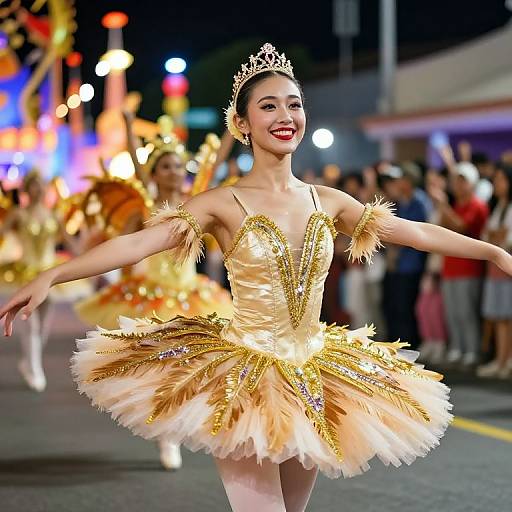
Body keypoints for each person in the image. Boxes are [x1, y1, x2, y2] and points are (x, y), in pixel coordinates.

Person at [2, 44, 512, 511]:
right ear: (241, 122)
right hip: (243, 378)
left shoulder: (328, 201)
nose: (286, 115)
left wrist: (493, 252)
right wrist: (53, 274)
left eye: (294, 103)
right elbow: (138, 243)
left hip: (315, 376)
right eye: (268, 105)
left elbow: (414, 232)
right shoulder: (221, 203)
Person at [74, 112, 232, 469]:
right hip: (151, 295)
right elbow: (135, 162)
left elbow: (217, 162)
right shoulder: (148, 205)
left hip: (192, 294)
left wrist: (231, 128)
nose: (175, 172)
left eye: (179, 165)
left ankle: (174, 427)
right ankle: (167, 436)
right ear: (154, 174)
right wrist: (130, 130)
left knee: (188, 364)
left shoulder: (197, 202)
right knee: (162, 367)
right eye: (166, 167)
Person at [0, 170, 88, 392]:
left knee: (44, 323)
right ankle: (34, 367)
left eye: (41, 185)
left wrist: (87, 256)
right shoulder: (18, 214)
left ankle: (29, 361)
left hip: (49, 274)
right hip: (25, 273)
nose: (38, 189)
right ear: (26, 189)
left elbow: (69, 242)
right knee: (31, 322)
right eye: (34, 185)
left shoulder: (53, 215)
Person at [430, 162, 489, 367]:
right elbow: (440, 228)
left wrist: (443, 205)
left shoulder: (477, 205)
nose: (457, 184)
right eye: (456, 180)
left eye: (462, 180)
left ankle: (472, 350)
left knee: (467, 312)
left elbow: (461, 228)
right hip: (451, 267)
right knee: (453, 312)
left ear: (472, 183)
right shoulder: (456, 206)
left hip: (469, 268)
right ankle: (458, 347)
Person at [477, 162, 512, 378]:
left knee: (508, 315)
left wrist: (496, 235)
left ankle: (507, 360)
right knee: (499, 315)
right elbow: (487, 236)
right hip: (495, 269)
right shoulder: (497, 207)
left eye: (501, 179)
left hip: (507, 269)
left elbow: (505, 239)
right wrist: (496, 235)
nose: (496, 184)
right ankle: (500, 360)